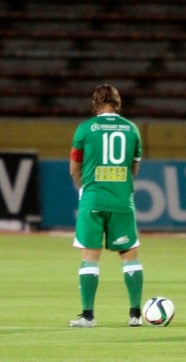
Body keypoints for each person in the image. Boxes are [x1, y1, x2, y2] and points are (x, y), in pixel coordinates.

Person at [68, 84, 144, 328]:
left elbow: (73, 169)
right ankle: (135, 315)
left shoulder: (84, 130)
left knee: (90, 256)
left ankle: (88, 316)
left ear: (95, 104)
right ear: (118, 103)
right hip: (122, 200)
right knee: (129, 254)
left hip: (92, 200)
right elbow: (134, 169)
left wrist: (85, 189)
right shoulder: (132, 129)